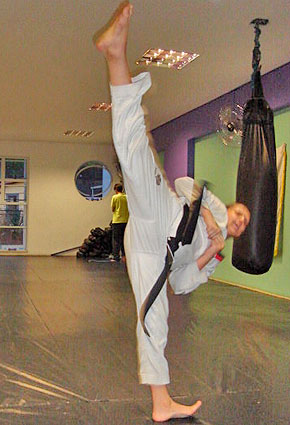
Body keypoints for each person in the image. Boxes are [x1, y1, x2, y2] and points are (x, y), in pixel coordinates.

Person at [94, 2, 250, 422]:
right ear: (232, 207)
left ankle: (161, 403)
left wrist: (208, 251)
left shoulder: (217, 259)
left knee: (154, 321)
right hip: (169, 212)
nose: (238, 220)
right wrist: (212, 219)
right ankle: (115, 55)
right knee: (135, 154)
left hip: (155, 251)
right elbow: (184, 185)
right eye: (240, 213)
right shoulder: (213, 204)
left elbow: (181, 284)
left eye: (242, 224)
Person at [111, 183, 129, 262]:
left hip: (117, 221)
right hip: (126, 221)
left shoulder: (115, 197)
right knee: (124, 239)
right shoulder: (126, 197)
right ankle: (124, 256)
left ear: (115, 190)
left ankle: (116, 257)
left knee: (116, 239)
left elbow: (113, 208)